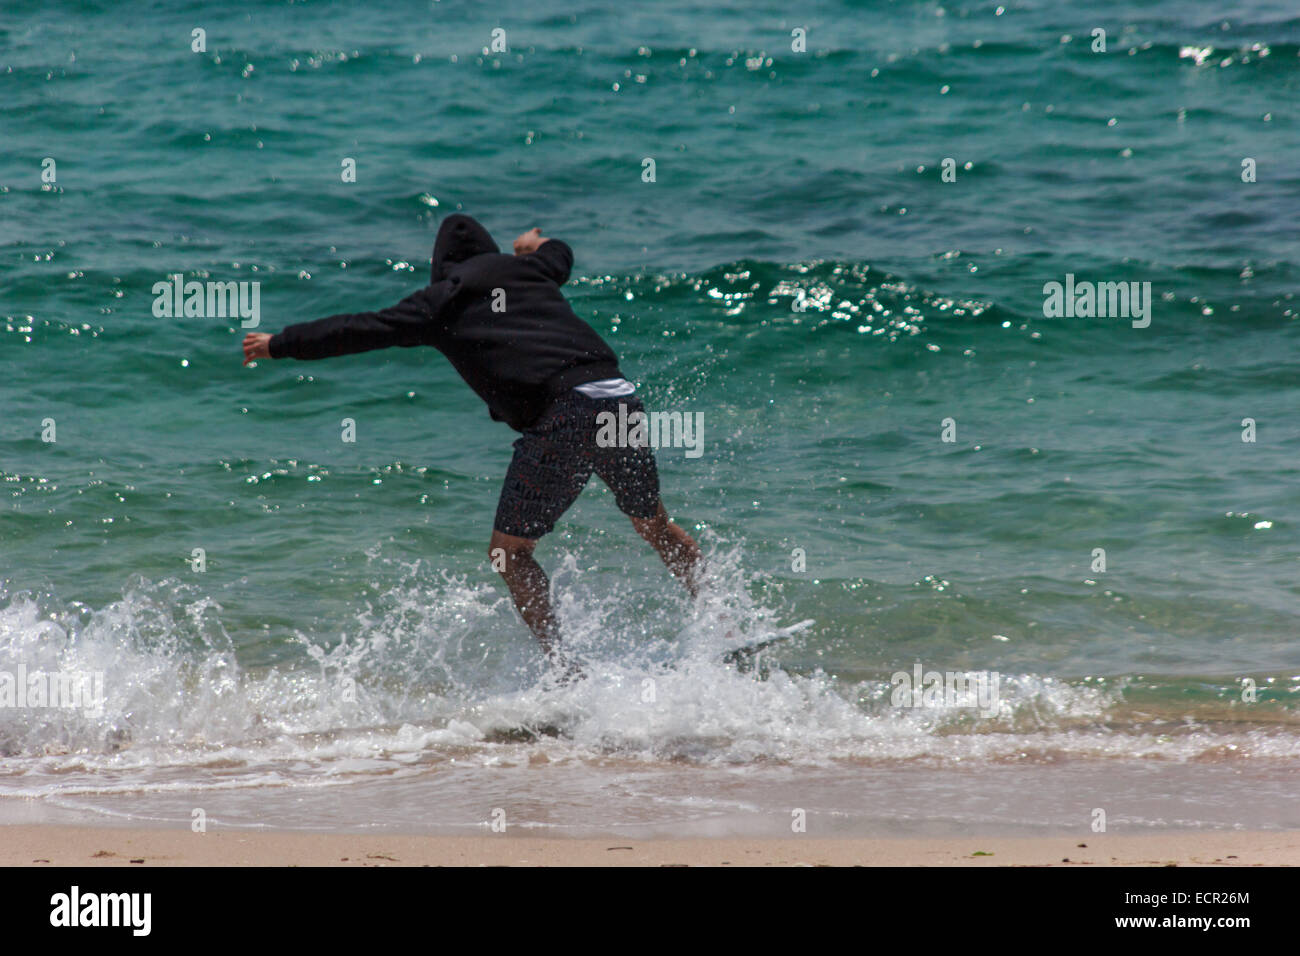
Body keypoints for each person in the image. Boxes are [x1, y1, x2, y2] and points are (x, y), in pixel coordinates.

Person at [242, 214, 702, 671]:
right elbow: (559, 255)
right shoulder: (530, 270)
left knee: (509, 553)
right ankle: (721, 622)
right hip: (619, 399)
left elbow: (360, 328)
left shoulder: (444, 299)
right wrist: (531, 249)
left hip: (565, 413)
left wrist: (279, 343)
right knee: (654, 525)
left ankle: (564, 669)